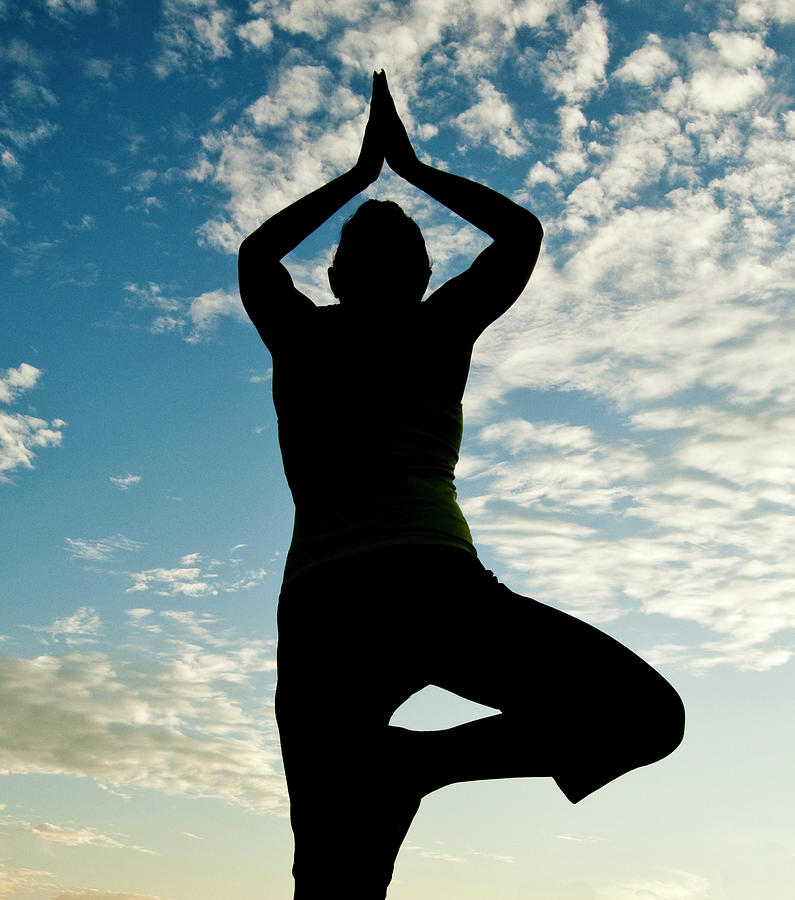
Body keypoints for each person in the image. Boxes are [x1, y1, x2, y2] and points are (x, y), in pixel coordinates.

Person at [238, 70, 685, 900]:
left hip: (353, 604)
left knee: (333, 873)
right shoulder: (417, 329)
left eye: (395, 244)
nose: (382, 252)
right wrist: (401, 171)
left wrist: (364, 175)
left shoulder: (332, 334)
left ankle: (408, 767)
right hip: (403, 594)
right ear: (358, 278)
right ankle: (411, 766)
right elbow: (516, 233)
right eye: (374, 245)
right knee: (338, 873)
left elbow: (258, 255)